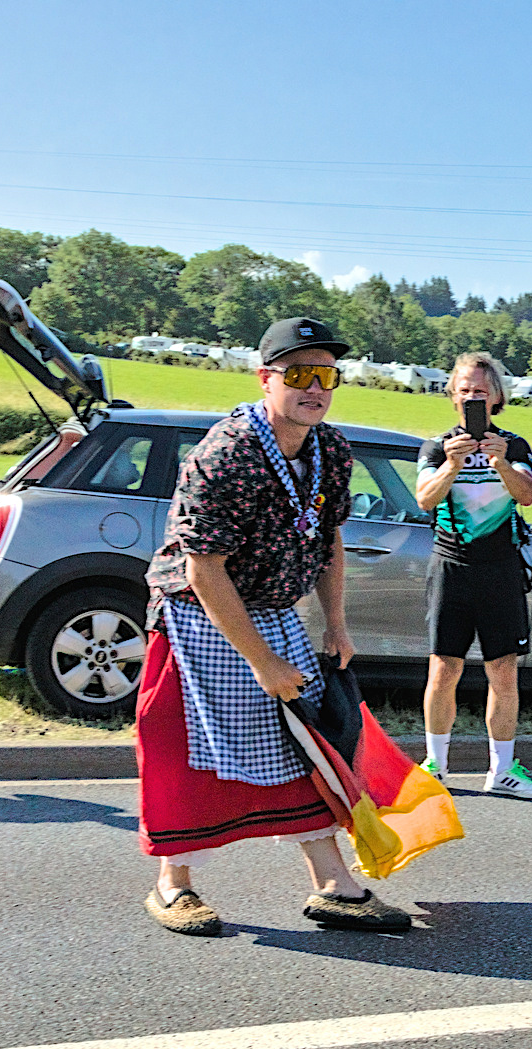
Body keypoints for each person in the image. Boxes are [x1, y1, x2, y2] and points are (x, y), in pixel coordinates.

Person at [136, 316, 413, 936]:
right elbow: (204, 568)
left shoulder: (330, 449)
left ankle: (333, 887)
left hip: (274, 611)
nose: (315, 388)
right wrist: (263, 662)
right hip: (197, 618)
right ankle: (172, 886)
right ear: (266, 379)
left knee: (304, 745)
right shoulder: (226, 454)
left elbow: (329, 539)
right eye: (299, 374)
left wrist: (336, 624)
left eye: (326, 375)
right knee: (186, 753)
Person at [415, 352, 532, 799]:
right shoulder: (437, 446)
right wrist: (453, 465)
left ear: (497, 397)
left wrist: (501, 462)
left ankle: (504, 770)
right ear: (453, 396)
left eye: (481, 391)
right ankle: (435, 764)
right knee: (444, 668)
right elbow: (424, 501)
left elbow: (526, 496)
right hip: (450, 565)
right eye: (465, 390)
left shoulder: (516, 445)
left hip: (501, 568)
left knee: (503, 671)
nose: (473, 397)